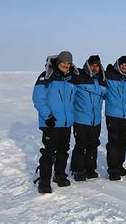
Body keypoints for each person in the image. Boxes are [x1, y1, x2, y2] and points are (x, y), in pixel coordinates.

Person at [32, 51, 79, 193]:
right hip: (51, 123)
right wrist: (48, 116)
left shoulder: (71, 79)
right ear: (58, 63)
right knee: (48, 153)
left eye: (68, 63)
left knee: (63, 151)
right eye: (63, 62)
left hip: (65, 123)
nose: (66, 65)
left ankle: (59, 175)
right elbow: (38, 98)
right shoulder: (46, 77)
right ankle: (44, 181)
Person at [70, 55, 108, 181]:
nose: (94, 68)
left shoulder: (102, 81)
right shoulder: (79, 78)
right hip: (81, 119)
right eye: (92, 65)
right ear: (87, 65)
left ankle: (90, 169)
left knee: (93, 144)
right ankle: (78, 170)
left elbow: (106, 95)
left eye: (97, 65)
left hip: (96, 120)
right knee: (80, 145)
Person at [104, 55, 126, 180]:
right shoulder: (109, 77)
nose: (124, 66)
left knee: (124, 141)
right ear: (117, 65)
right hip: (113, 114)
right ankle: (113, 169)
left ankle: (119, 166)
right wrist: (109, 70)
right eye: (122, 64)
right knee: (114, 142)